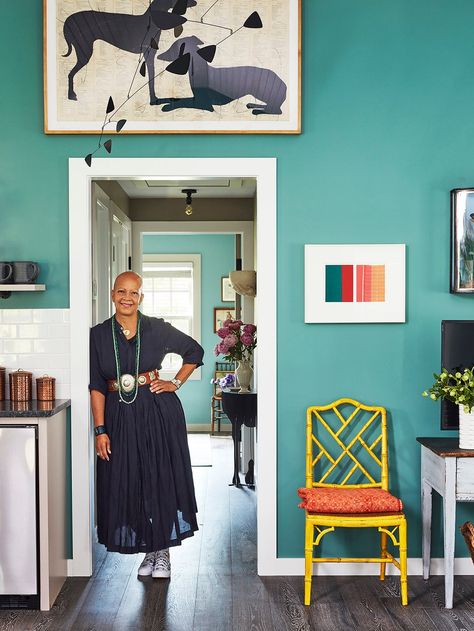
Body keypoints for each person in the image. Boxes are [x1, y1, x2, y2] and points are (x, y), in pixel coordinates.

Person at [89, 271, 204, 579]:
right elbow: (96, 386)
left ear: (141, 297)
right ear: (113, 295)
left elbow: (195, 351)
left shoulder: (156, 328)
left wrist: (175, 383)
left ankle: (161, 551)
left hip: (156, 411)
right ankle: (148, 546)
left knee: (158, 477)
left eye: (134, 292)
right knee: (129, 479)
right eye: (122, 292)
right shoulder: (98, 335)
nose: (128, 297)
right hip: (117, 416)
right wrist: (100, 430)